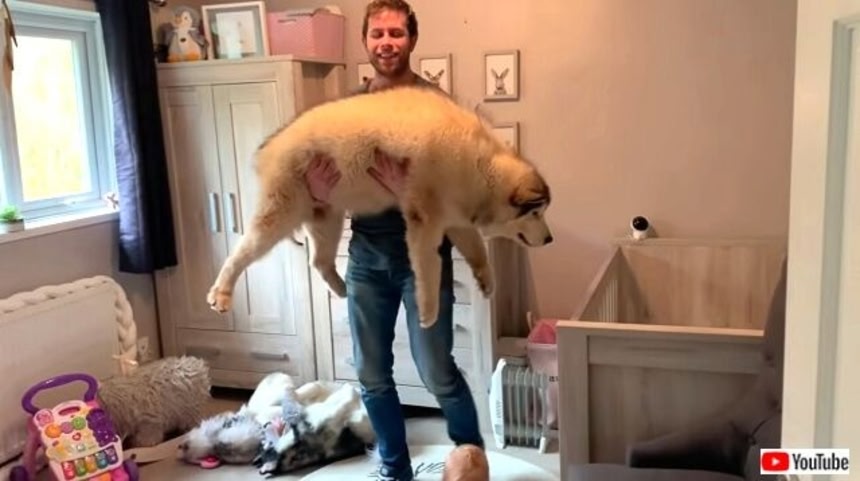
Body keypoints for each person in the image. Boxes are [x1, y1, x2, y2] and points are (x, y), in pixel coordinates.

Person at [303, 1, 484, 480]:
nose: (386, 43)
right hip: (366, 257)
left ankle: (471, 462)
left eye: (396, 33)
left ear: (412, 39)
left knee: (437, 371)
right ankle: (394, 469)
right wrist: (317, 192)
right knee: (372, 374)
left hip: (422, 260)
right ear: (365, 40)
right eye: (377, 33)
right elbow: (327, 190)